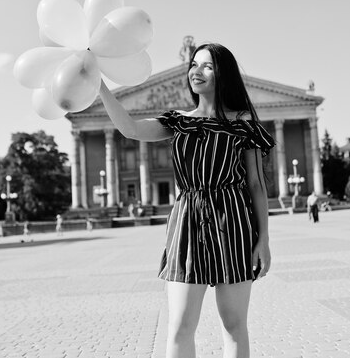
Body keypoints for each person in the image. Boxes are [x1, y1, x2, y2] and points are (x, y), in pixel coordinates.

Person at [98, 43, 275, 357]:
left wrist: (263, 241)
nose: (197, 71)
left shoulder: (242, 123)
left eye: (207, 66)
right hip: (187, 222)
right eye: (194, 65)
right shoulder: (177, 121)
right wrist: (98, 83)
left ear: (225, 74)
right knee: (180, 327)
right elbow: (129, 128)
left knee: (234, 326)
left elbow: (256, 184)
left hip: (232, 221)